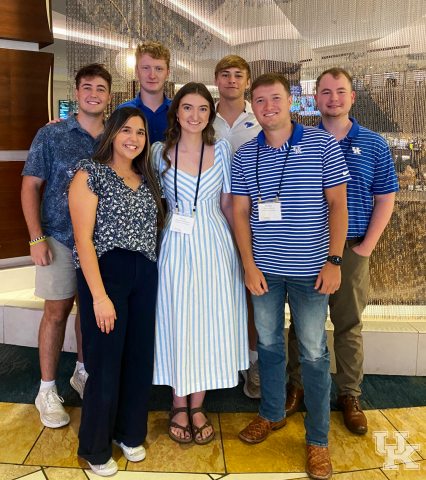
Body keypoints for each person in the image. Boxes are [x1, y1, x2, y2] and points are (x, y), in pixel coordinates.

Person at [232, 73, 350, 480]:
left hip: (311, 272)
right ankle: (270, 414)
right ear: (253, 106)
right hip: (264, 271)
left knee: (315, 354)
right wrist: (248, 264)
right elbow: (241, 214)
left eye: (275, 98)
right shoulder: (245, 155)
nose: (268, 107)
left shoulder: (322, 144)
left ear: (291, 101)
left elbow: (338, 205)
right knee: (268, 346)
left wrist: (334, 260)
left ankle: (318, 440)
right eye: (260, 100)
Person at [286, 68, 399, 435]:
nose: (333, 98)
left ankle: (349, 394)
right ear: (314, 99)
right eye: (325, 92)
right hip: (309, 248)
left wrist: (365, 248)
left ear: (352, 97)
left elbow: (386, 198)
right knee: (302, 326)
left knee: (348, 324)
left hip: (351, 249)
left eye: (340, 91)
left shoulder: (375, 144)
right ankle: (296, 385)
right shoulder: (299, 141)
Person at [68, 107, 164, 476]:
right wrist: (99, 296)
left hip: (145, 273)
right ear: (112, 132)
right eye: (126, 130)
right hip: (107, 274)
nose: (134, 138)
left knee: (138, 358)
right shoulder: (90, 172)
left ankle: (128, 432)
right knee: (104, 363)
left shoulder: (145, 175)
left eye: (140, 133)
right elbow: (82, 239)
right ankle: (94, 447)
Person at [152, 82, 248, 445]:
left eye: (203, 109)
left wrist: (242, 255)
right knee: (177, 318)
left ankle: (198, 404)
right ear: (176, 111)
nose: (195, 115)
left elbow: (228, 206)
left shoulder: (222, 149)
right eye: (188, 107)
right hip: (173, 245)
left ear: (211, 114)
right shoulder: (158, 152)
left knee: (209, 321)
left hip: (214, 245)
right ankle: (178, 401)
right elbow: (155, 205)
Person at [21, 63, 112, 428]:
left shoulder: (114, 135)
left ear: (109, 95)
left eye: (101, 88)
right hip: (58, 238)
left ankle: (82, 372)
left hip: (101, 244)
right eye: (87, 87)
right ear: (76, 93)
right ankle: (46, 389)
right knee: (57, 312)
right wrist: (36, 237)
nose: (93, 93)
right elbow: (30, 186)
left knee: (90, 313)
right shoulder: (52, 134)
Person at [213, 55, 263, 399]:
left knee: (252, 295)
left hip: (254, 219)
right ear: (216, 79)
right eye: (225, 75)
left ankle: (253, 363)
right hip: (209, 222)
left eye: (238, 75)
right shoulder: (202, 116)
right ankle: (215, 361)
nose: (232, 80)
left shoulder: (260, 117)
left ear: (247, 81)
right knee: (214, 295)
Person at [117, 41, 172, 143]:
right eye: (146, 68)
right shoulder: (122, 112)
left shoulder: (179, 112)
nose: (152, 75)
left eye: (159, 69)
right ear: (136, 71)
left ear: (167, 73)